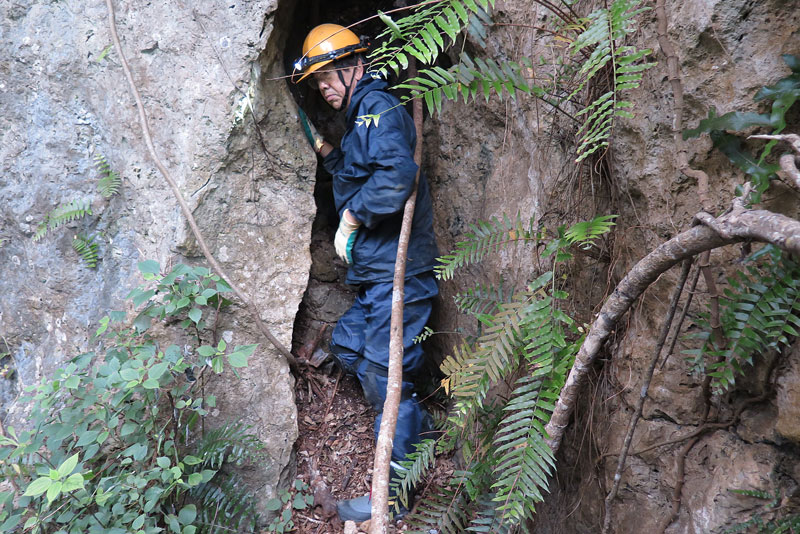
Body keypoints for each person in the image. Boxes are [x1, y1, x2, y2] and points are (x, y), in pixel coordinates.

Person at [293, 23, 439, 522]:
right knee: (351, 346)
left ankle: (394, 495)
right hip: (375, 278)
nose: (326, 88)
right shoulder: (361, 121)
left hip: (402, 276)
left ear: (354, 65)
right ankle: (413, 425)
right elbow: (356, 170)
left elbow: (397, 173)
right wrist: (323, 149)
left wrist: (353, 217)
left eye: (329, 76)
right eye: (317, 83)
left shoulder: (378, 107)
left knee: (384, 371)